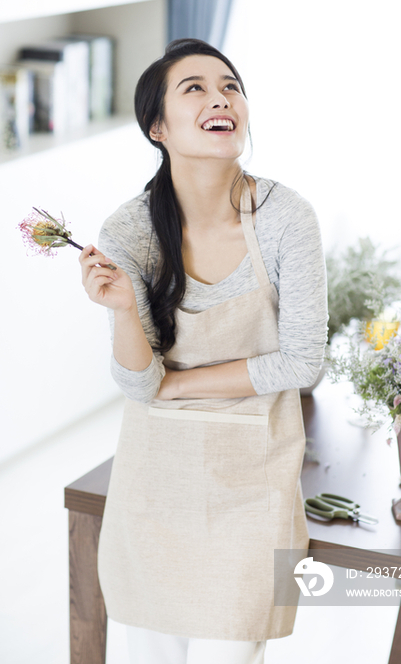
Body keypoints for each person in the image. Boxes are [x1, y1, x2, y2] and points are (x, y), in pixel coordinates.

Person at [79, 38, 328, 664]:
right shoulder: (129, 230)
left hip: (254, 487)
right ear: (157, 126)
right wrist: (122, 312)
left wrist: (180, 384)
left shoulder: (285, 218)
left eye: (231, 87)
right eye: (196, 88)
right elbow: (139, 383)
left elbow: (303, 362)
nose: (221, 98)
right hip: (154, 485)